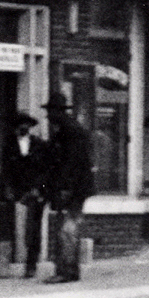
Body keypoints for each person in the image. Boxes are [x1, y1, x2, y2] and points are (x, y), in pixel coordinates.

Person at [42, 93, 96, 283]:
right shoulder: (68, 129)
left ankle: (66, 271)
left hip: (73, 188)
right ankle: (67, 270)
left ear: (57, 112)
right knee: (67, 228)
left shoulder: (69, 132)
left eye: (49, 111)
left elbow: (71, 162)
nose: (47, 116)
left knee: (67, 229)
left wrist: (65, 187)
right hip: (75, 187)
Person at [4, 107, 48, 278]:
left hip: (35, 191)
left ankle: (31, 264)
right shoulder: (9, 145)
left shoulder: (39, 145)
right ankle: (9, 260)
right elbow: (6, 169)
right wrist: (8, 188)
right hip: (17, 191)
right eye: (20, 125)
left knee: (33, 228)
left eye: (26, 125)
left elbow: (45, 169)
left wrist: (38, 189)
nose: (23, 128)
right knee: (14, 224)